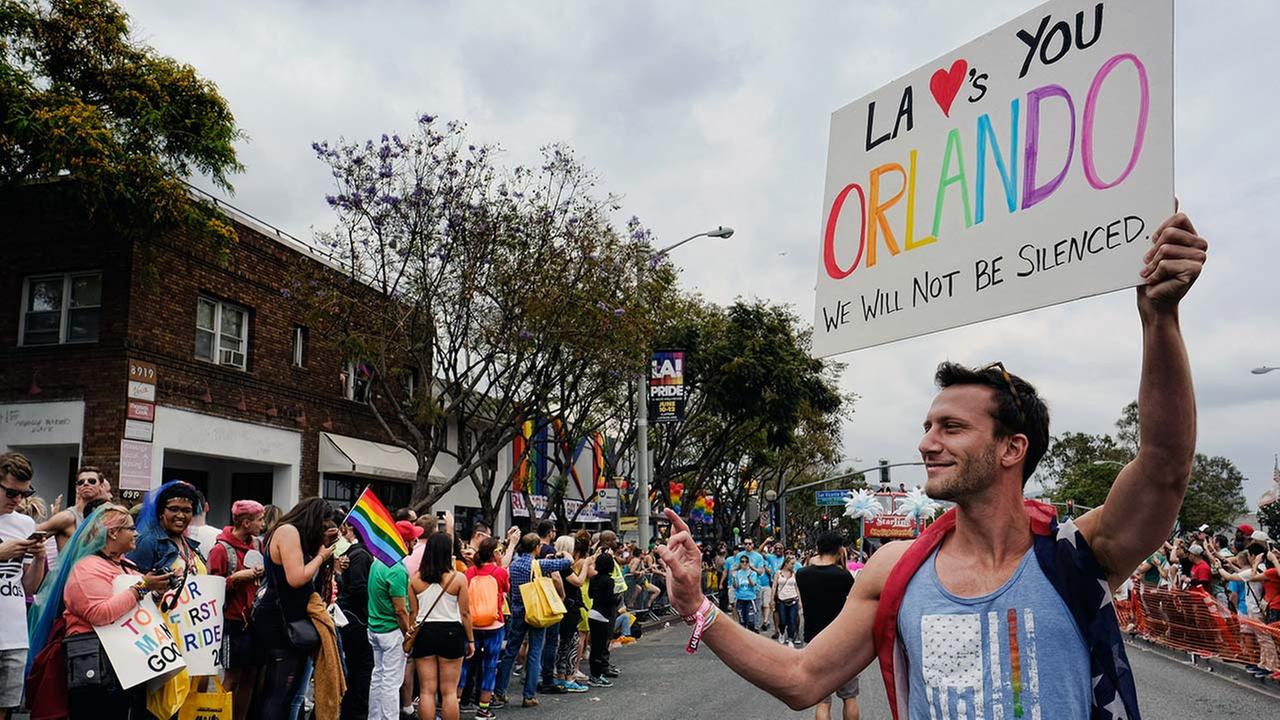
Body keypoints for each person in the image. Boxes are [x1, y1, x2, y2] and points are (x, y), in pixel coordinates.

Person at [656, 210, 1207, 720]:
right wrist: (697, 606)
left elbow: (1163, 466)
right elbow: (802, 678)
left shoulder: (1080, 554)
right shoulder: (896, 568)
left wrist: (1160, 318)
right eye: (927, 427)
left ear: (1012, 448)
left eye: (952, 428)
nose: (926, 443)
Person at [35, 504, 171, 717]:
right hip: (96, 663)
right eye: (131, 528)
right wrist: (142, 587)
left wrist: (157, 593)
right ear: (114, 533)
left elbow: (132, 606)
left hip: (126, 662)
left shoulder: (125, 565)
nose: (136, 533)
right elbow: (100, 614)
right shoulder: (87, 568)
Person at [248, 497, 339, 720]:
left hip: (283, 618)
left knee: (283, 693)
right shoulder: (288, 532)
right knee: (279, 692)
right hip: (281, 622)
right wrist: (320, 557)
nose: (322, 529)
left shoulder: (288, 532)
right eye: (322, 525)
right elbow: (297, 578)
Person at [492, 532, 574, 708]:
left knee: (511, 652)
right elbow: (568, 562)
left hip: (518, 612)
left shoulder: (513, 565)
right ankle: (528, 695)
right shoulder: (539, 564)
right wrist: (563, 554)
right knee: (535, 652)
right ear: (537, 548)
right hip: (536, 611)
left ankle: (500, 691)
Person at [207, 499, 266, 720]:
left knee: (251, 675)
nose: (263, 524)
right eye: (260, 520)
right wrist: (235, 579)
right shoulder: (220, 549)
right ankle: (222, 716)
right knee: (232, 676)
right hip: (233, 623)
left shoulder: (258, 545)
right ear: (245, 522)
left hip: (254, 621)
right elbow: (211, 589)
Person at [408, 532, 473, 720]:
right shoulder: (459, 578)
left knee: (427, 690)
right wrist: (470, 639)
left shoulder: (415, 579)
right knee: (449, 691)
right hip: (452, 632)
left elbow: (413, 613)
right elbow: (465, 613)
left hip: (424, 632)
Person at [0, 453, 46, 718]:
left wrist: (39, 558)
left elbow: (29, 588)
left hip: (15, 633)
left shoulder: (25, 523)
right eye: (11, 493)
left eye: (24, 493)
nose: (18, 500)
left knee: (6, 708)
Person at [795, 532, 858, 720]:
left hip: (814, 640)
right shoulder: (844, 577)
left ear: (817, 549)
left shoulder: (802, 574)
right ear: (840, 550)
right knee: (850, 697)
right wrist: (843, 564)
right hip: (841, 642)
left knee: (822, 700)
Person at [367, 521, 420, 720]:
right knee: (391, 681)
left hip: (375, 627)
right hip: (391, 631)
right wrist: (408, 634)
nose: (415, 543)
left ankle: (375, 717)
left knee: (378, 677)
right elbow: (400, 609)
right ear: (404, 543)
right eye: (413, 539)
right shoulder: (397, 569)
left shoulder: (378, 561)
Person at [460, 536, 509, 718]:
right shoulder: (500, 573)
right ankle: (483, 708)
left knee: (465, 664)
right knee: (489, 666)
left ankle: (454, 704)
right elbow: (505, 590)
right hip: (494, 623)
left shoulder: (469, 572)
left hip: (471, 624)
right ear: (495, 553)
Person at [37, 465, 112, 573]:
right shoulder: (68, 517)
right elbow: (32, 535)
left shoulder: (105, 515)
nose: (86, 483)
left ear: (101, 486)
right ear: (77, 488)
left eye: (91, 481)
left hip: (97, 575)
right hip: (70, 577)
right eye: (81, 482)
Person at [127, 480, 207, 578]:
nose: (181, 515)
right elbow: (133, 583)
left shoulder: (191, 546)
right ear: (161, 513)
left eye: (187, 511)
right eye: (174, 509)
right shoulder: (148, 543)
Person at [336, 522, 375, 720]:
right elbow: (358, 589)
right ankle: (355, 712)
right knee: (359, 668)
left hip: (352, 617)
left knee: (355, 668)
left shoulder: (358, 553)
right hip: (356, 619)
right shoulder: (360, 555)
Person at [586, 551, 617, 687]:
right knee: (600, 647)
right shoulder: (609, 581)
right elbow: (609, 600)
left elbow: (590, 594)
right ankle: (596, 676)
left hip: (593, 612)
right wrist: (616, 599)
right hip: (603, 615)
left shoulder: (593, 579)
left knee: (594, 647)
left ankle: (596, 674)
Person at [774, 558, 801, 647]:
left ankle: (790, 638)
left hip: (793, 599)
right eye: (792, 564)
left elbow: (797, 587)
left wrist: (799, 600)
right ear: (786, 564)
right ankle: (781, 633)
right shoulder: (778, 573)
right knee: (782, 619)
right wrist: (772, 599)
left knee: (792, 620)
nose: (793, 566)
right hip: (782, 600)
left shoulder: (794, 574)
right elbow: (774, 586)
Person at [728, 555, 758, 630]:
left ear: (748, 563)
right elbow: (736, 586)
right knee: (742, 620)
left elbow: (753, 585)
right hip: (740, 598)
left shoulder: (753, 573)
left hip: (750, 598)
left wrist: (748, 577)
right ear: (740, 563)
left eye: (746, 561)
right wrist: (734, 578)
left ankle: (751, 636)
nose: (744, 563)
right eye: (742, 561)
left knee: (751, 621)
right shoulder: (737, 573)